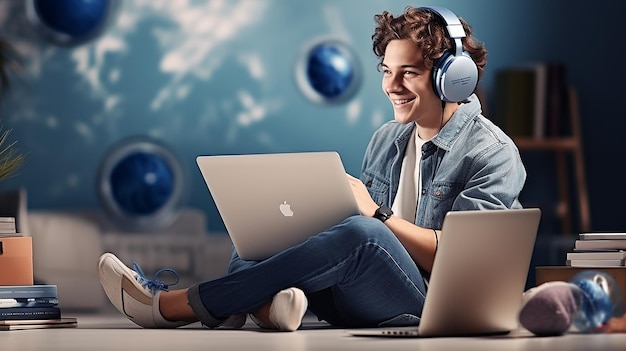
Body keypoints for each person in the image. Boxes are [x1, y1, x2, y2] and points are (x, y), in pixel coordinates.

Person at [98, 5, 526, 331]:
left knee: (366, 232)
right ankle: (271, 307)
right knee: (261, 232)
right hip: (351, 298)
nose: (391, 87)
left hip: (428, 305)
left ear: (454, 78)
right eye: (386, 71)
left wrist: (376, 214)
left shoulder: (491, 153)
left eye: (408, 73)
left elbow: (460, 261)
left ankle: (178, 306)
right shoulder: (387, 139)